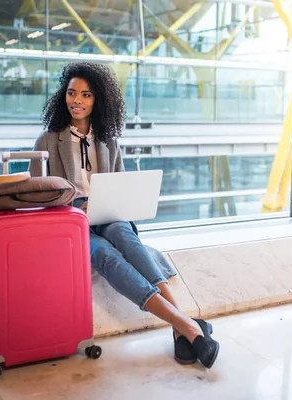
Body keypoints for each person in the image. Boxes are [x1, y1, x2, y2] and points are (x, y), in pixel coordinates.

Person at [28, 61, 220, 368]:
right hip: (72, 222)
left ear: (98, 100)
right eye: (71, 93)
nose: (77, 100)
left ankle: (182, 326)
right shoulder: (48, 140)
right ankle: (187, 326)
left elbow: (120, 186)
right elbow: (37, 194)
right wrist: (73, 205)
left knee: (123, 235)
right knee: (106, 255)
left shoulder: (108, 141)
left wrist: (106, 203)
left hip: (108, 214)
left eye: (86, 95)